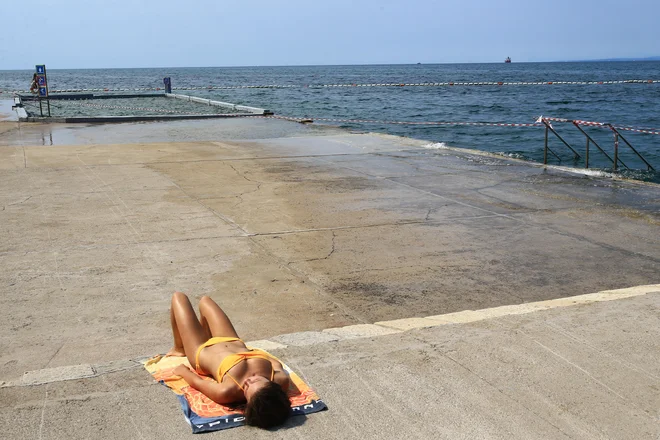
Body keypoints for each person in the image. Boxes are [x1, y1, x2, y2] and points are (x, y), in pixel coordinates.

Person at [168, 292, 291, 429]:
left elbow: (198, 382)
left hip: (200, 351)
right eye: (256, 380)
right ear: (274, 386)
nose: (248, 381)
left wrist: (182, 371)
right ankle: (205, 334)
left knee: (179, 297)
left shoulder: (227, 392)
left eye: (246, 388)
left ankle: (179, 347)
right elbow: (275, 363)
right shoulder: (281, 380)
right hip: (231, 340)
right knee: (205, 301)